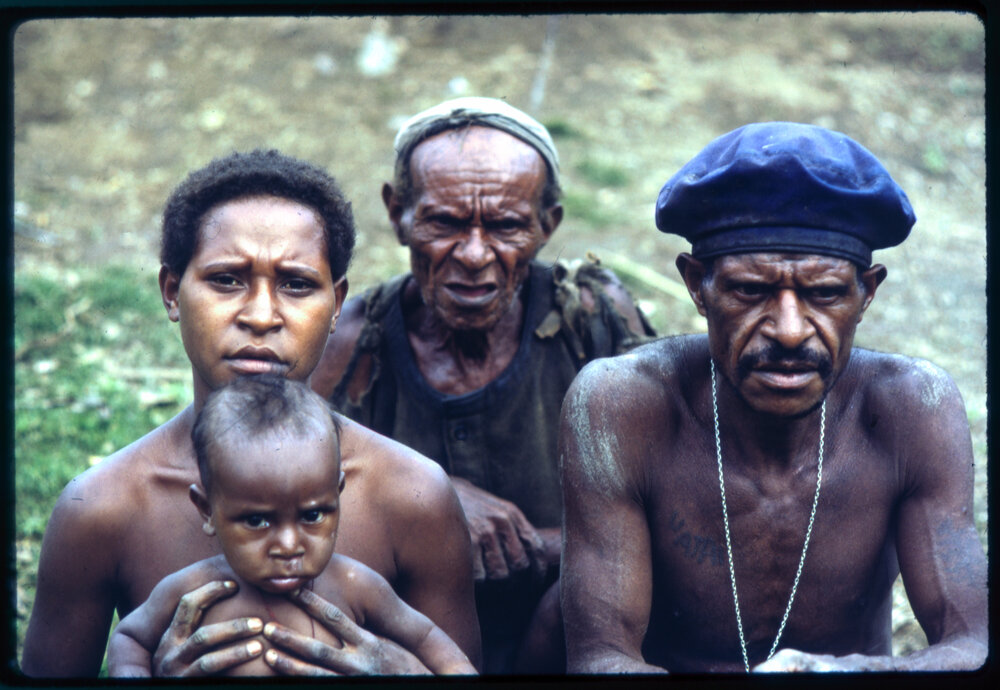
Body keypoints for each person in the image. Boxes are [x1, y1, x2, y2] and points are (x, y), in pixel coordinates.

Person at [21, 149, 480, 677]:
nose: (261, 316)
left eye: (297, 284)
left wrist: (398, 671)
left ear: (336, 304)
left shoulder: (412, 495)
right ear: (172, 293)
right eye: (227, 279)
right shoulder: (102, 508)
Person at [560, 122, 988, 673]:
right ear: (697, 285)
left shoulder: (912, 410)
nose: (789, 331)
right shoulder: (622, 407)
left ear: (867, 292)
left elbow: (973, 645)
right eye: (749, 290)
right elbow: (600, 659)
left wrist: (848, 674)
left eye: (825, 293)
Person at [310, 97, 655, 672]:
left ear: (549, 225)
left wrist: (538, 546)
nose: (474, 254)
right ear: (398, 214)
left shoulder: (594, 321)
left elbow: (687, 502)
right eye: (444, 222)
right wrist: (431, 501)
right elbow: (270, 506)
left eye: (506, 225)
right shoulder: (345, 343)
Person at [108, 375, 476, 677]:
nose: (288, 545)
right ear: (206, 511)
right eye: (256, 521)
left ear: (338, 495)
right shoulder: (197, 588)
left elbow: (436, 646)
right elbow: (129, 638)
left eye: (313, 515)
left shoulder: (354, 585)